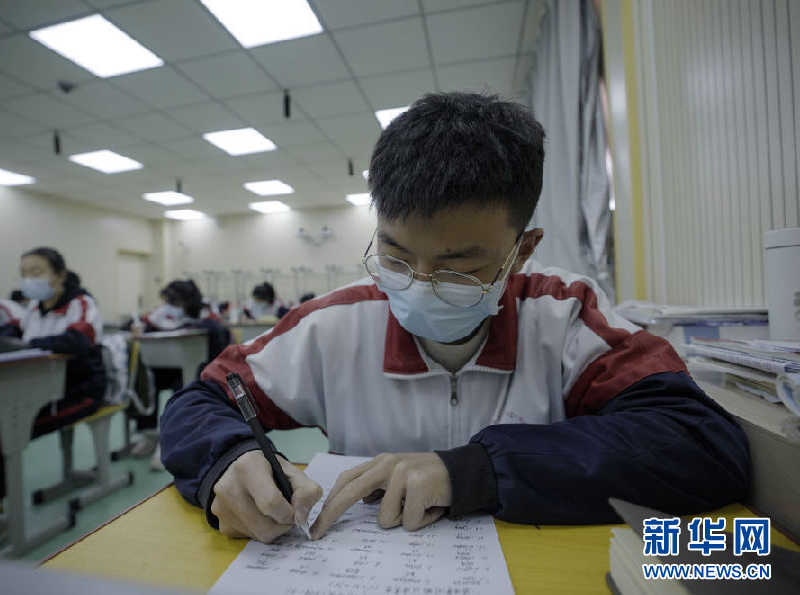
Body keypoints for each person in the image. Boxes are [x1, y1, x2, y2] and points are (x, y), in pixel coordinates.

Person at [159, 92, 750, 544]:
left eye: (457, 266)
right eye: (394, 254)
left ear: (523, 249)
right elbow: (199, 403)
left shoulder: (566, 318)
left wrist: (476, 471)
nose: (418, 284)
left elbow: (700, 442)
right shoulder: (332, 327)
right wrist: (228, 461)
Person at [0, 247, 105, 551]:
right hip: (33, 392)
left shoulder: (81, 304)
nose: (30, 279)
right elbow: (8, 336)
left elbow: (79, 340)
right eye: (25, 273)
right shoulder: (31, 308)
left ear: (60, 275)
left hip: (78, 393)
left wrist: (25, 344)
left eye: (38, 272)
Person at [130, 280, 232, 468]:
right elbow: (140, 323)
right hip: (168, 367)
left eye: (175, 302)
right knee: (145, 382)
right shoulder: (162, 311)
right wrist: (139, 328)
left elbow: (215, 332)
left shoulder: (206, 314)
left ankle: (171, 440)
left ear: (188, 301)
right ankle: (148, 434)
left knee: (183, 388)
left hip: (202, 368)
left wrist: (177, 329)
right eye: (169, 301)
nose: (171, 306)